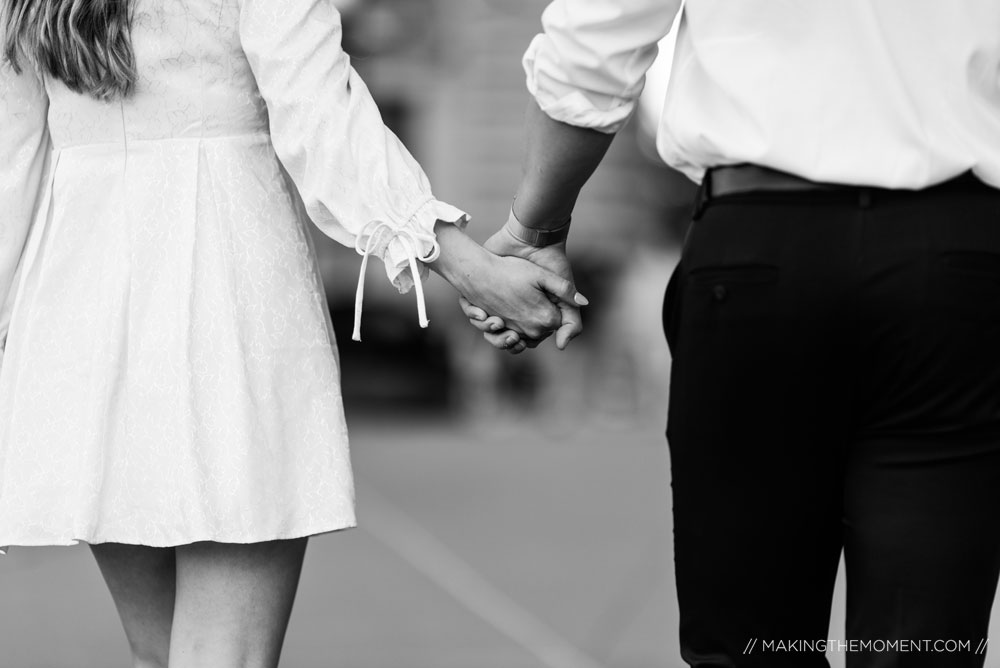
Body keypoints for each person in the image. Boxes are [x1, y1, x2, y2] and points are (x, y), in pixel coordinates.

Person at [0, 1, 585, 666]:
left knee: (161, 656)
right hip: (223, 296)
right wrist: (465, 263)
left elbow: (9, 168)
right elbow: (320, 118)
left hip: (81, 314)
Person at [462, 1, 1000, 666]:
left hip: (764, 246)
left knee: (750, 644)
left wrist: (536, 227)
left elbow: (592, 44)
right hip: (957, 255)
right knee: (923, 646)